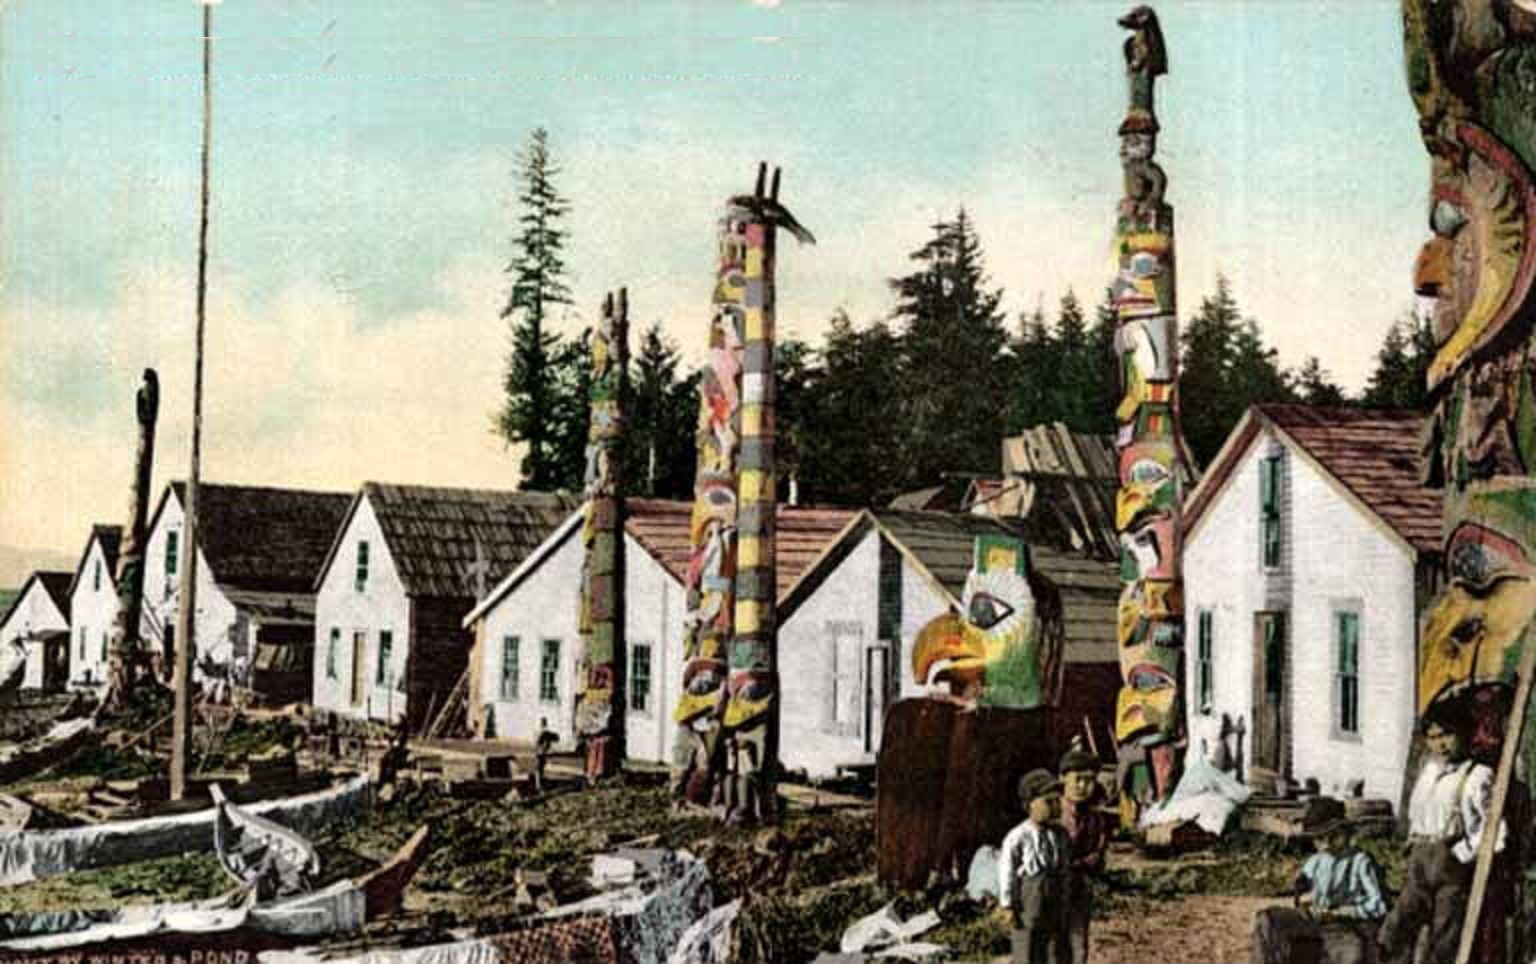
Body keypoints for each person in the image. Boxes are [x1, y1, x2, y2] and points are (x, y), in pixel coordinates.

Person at [1378, 705, 1506, 964]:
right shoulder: (1429, 771)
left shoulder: (1478, 776)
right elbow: (1417, 810)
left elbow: (1494, 830)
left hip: (1451, 864)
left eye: (1448, 735)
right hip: (1420, 858)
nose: (1441, 744)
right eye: (1434, 738)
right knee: (1398, 924)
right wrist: (1413, 841)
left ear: (1463, 734)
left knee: (1445, 934)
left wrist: (1463, 853)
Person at [998, 768, 1069, 964]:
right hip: (1030, 892)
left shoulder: (1060, 834)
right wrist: (1008, 904)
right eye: (1048, 802)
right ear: (1029, 804)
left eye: (1057, 801)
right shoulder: (1018, 836)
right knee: (1027, 936)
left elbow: (1063, 863)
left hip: (1054, 888)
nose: (1055, 807)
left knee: (1054, 937)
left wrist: (1065, 890)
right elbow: (1008, 871)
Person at [1058, 748, 1111, 964]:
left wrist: (1091, 863)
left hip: (1079, 890)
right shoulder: (1052, 814)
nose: (1082, 786)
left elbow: (1098, 854)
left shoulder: (1095, 819)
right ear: (1063, 778)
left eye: (1089, 780)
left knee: (1078, 945)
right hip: (1051, 890)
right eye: (1077, 779)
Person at [533, 717, 557, 793]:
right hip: (539, 751)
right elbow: (538, 741)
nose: (544, 724)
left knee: (541, 767)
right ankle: (538, 785)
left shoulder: (545, 732)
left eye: (544, 722)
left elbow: (555, 738)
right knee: (538, 768)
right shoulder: (540, 731)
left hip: (542, 751)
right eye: (543, 722)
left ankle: (540, 784)